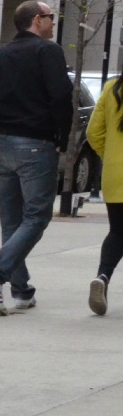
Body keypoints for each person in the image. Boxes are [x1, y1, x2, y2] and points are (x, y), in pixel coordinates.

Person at [0, 0, 74, 314]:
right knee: (37, 217)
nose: (53, 22)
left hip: (3, 144)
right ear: (37, 20)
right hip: (36, 143)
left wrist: (0, 129)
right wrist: (61, 136)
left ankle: (21, 290)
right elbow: (61, 95)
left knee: (12, 220)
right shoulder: (48, 51)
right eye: (50, 17)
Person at [85, 72, 123, 314]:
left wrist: (108, 156)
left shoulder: (112, 88)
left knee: (118, 232)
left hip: (115, 174)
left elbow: (93, 133)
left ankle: (103, 276)